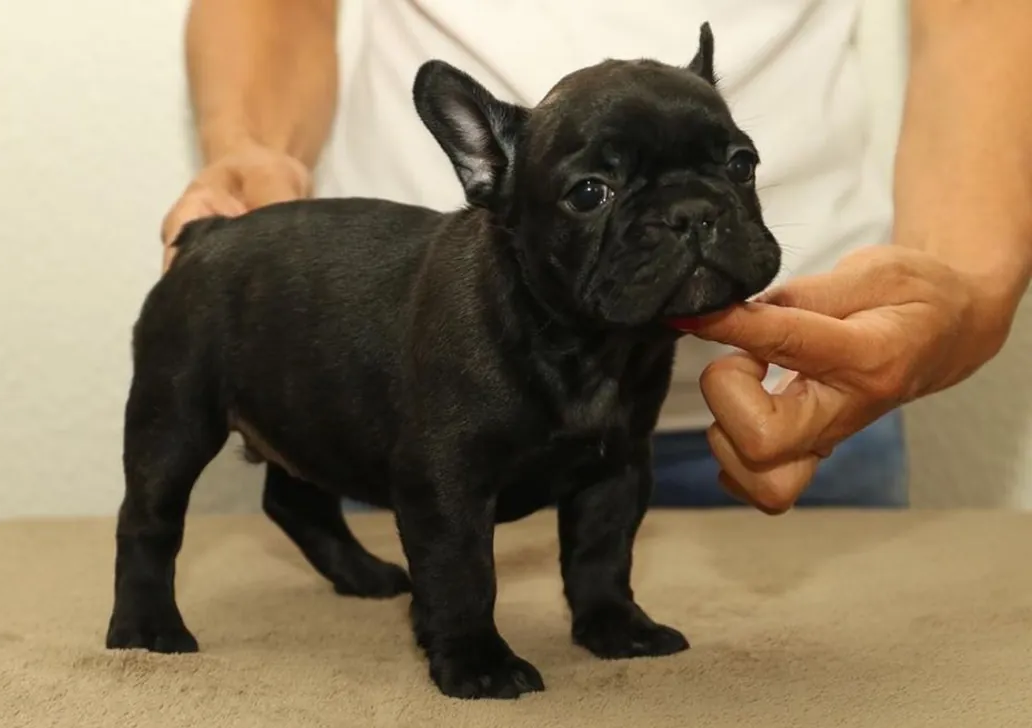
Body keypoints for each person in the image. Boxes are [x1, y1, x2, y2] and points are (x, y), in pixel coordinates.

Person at [162, 0, 1032, 513]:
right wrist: (253, 148)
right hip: (424, 389)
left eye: (734, 165)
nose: (683, 219)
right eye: (594, 192)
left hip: (817, 377)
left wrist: (964, 274)